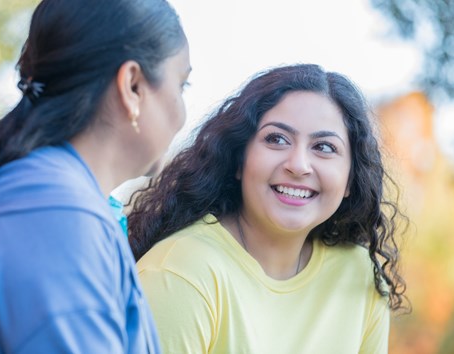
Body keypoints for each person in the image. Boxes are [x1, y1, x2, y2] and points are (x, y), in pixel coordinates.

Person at [0, 0, 190, 352]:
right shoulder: (57, 221)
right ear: (132, 86)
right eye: (182, 85)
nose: (183, 113)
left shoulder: (42, 200)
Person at [128, 64, 408, 354]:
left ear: (351, 179)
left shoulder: (358, 274)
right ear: (239, 159)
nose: (298, 165)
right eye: (277, 139)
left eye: (324, 147)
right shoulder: (182, 273)